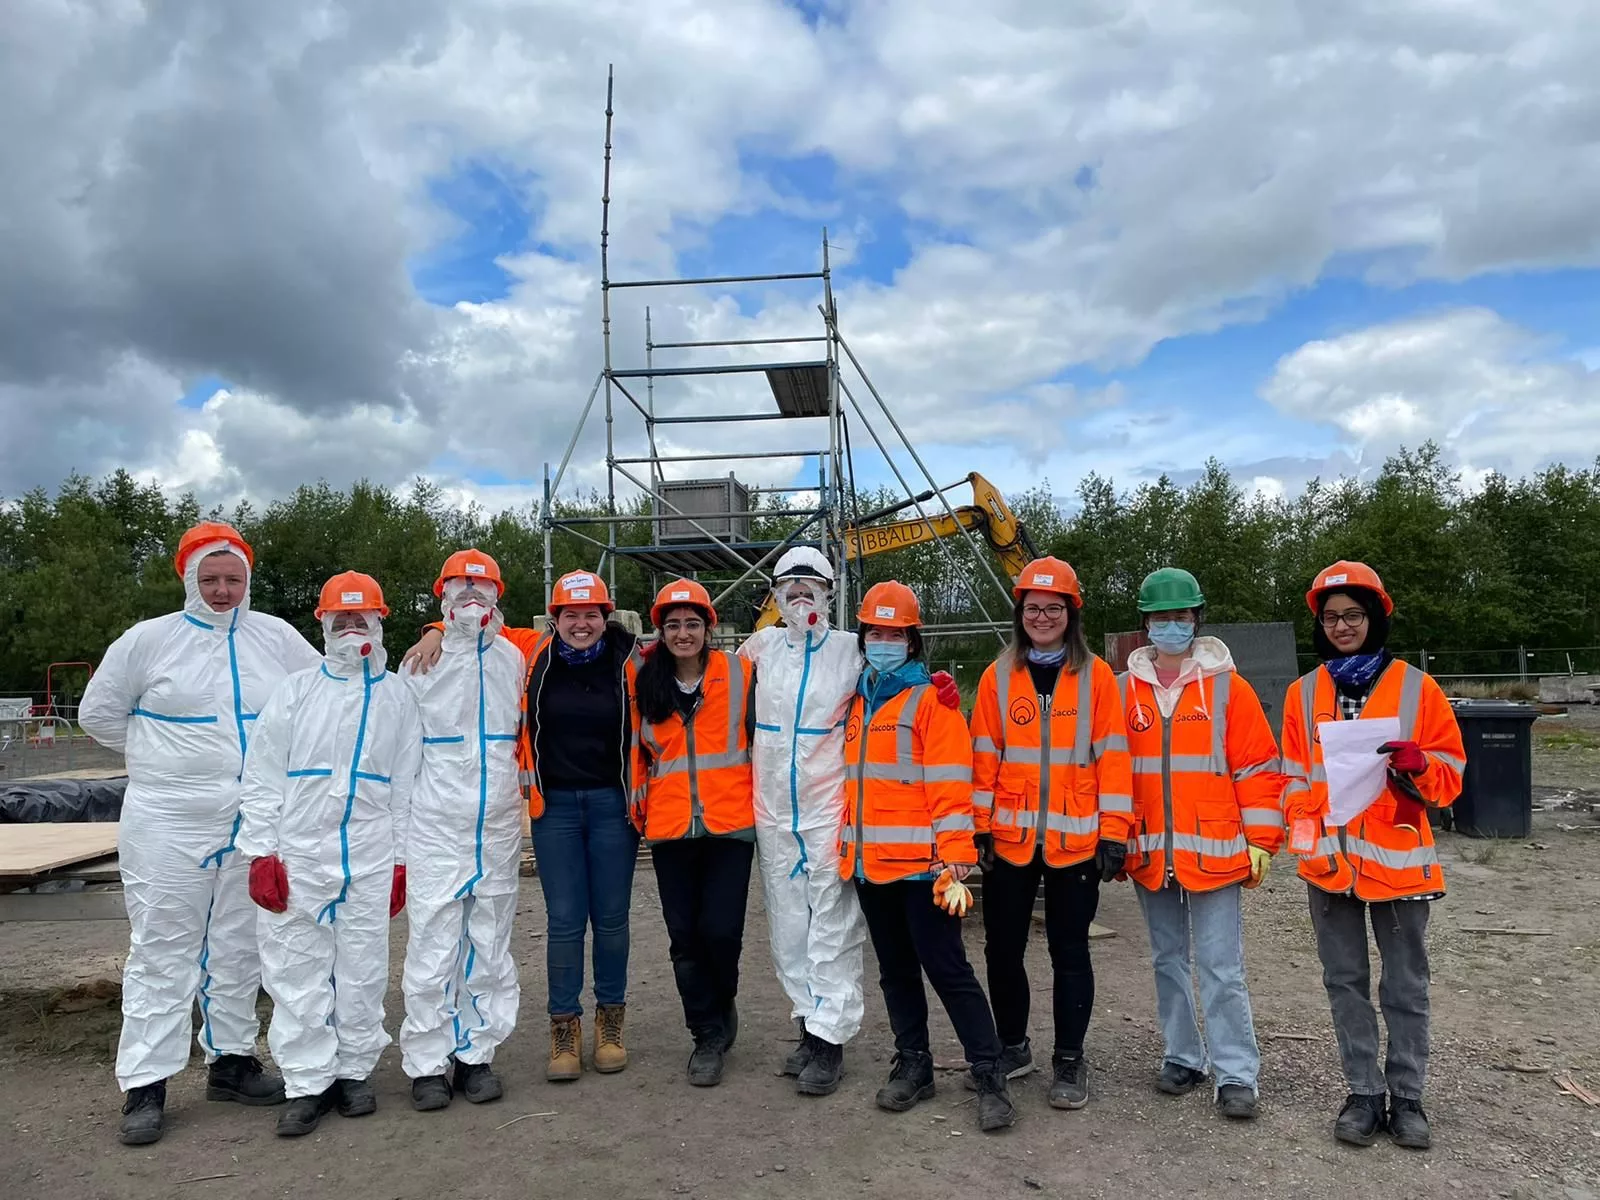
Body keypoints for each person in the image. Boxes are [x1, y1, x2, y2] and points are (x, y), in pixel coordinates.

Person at [79, 521, 324, 1146]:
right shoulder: (149, 641)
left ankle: (231, 1061)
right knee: (164, 947)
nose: (222, 590)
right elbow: (99, 713)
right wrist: (167, 762)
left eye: (233, 579)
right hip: (169, 816)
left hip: (256, 817)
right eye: (210, 578)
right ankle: (146, 1083)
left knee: (242, 943)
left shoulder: (277, 638)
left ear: (248, 578)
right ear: (187, 576)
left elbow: (326, 694)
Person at [404, 567, 643, 1082]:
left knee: (612, 919)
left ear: (607, 616)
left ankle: (610, 1023)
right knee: (562, 920)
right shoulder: (532, 651)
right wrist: (435, 629)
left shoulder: (630, 662)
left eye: (591, 614)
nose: (581, 624)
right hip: (553, 805)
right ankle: (564, 1027)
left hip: (612, 805)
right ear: (554, 618)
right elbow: (471, 620)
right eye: (570, 614)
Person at [737, 547, 960, 1097]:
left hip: (829, 810)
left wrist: (941, 690)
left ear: (829, 592)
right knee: (787, 926)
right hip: (773, 811)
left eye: (811, 584)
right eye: (789, 584)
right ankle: (807, 1027)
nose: (799, 594)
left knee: (832, 926)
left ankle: (831, 1039)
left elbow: (899, 684)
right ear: (774, 592)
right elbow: (707, 683)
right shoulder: (758, 649)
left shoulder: (850, 653)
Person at [1282, 561, 1464, 1151]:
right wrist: (1303, 835)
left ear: (1374, 618)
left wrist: (1422, 767)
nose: (1342, 626)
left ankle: (1408, 1098)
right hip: (1330, 867)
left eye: (1353, 615)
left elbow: (1452, 774)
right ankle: (1363, 1094)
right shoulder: (1302, 694)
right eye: (1332, 617)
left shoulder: (1419, 689)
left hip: (1399, 865)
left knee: (1405, 987)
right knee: (1345, 982)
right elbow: (1290, 778)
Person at [236, 572, 421, 1137]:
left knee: (362, 967)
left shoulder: (397, 696)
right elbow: (263, 775)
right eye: (339, 619)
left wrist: (400, 860)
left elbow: (406, 787)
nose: (349, 627)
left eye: (359, 618)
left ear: (379, 622)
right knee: (296, 968)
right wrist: (261, 850)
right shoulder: (296, 691)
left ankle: (354, 1072)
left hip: (367, 851)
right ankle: (307, 1082)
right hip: (300, 852)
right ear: (321, 624)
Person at [843, 581, 1016, 1133]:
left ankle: (989, 1073)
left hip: (925, 869)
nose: (884, 641)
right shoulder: (855, 700)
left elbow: (949, 786)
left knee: (947, 969)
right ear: (864, 636)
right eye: (876, 632)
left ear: (913, 643)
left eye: (896, 634)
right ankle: (914, 1063)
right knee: (895, 971)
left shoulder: (932, 702)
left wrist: (956, 857)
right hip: (872, 867)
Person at [1119, 567, 1286, 1121]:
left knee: (1221, 965)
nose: (1171, 625)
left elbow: (1259, 768)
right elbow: (1112, 772)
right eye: (1161, 617)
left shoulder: (1227, 688)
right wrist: (1115, 837)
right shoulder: (1123, 692)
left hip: (1215, 852)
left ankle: (1236, 1073)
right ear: (1145, 623)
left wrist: (1261, 838)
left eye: (1181, 616)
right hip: (1150, 853)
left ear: (1196, 619)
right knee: (1167, 959)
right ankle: (1182, 1056)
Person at [969, 556, 1133, 1110]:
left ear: (1071, 614)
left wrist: (1115, 832)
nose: (1042, 616)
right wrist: (979, 827)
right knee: (1002, 949)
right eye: (1033, 608)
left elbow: (1114, 759)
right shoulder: (998, 676)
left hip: (1076, 841)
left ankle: (1070, 1059)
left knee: (1070, 953)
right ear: (1020, 613)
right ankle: (1014, 1047)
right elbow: (983, 755)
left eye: (1053, 608)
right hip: (1011, 840)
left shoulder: (1097, 678)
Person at [398, 550, 527, 1111]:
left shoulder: (514, 658)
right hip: (435, 825)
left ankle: (476, 1057)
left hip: (495, 827)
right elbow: (401, 753)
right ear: (441, 597)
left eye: (482, 586)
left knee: (490, 945)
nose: (471, 596)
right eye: (460, 587)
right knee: (431, 946)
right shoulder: (419, 664)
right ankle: (428, 1065)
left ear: (498, 596)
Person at [630, 580, 756, 1087]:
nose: (684, 633)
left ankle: (722, 998)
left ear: (709, 629)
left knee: (721, 933)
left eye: (693, 624)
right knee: (685, 938)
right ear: (660, 632)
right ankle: (705, 1035)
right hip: (671, 827)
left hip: (729, 825)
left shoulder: (741, 672)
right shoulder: (641, 677)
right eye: (674, 625)